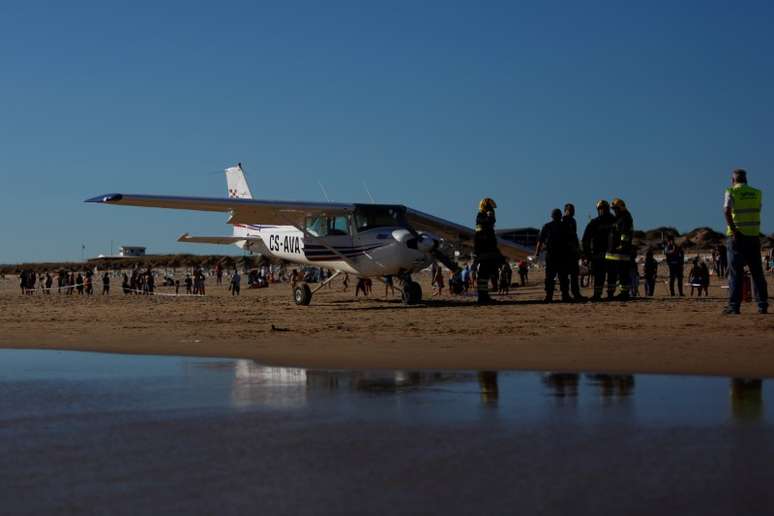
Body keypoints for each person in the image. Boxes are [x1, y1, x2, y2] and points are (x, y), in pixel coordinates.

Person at [723, 169, 768, 314]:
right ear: (746, 180)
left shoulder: (731, 191)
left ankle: (734, 306)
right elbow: (757, 210)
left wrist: (734, 230)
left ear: (733, 180)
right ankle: (762, 304)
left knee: (735, 273)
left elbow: (726, 211)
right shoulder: (757, 193)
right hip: (753, 236)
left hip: (737, 237)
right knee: (757, 273)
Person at [582, 200, 617, 301]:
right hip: (602, 254)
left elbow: (586, 239)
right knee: (602, 275)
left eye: (603, 208)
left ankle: (606, 294)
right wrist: (588, 254)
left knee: (609, 275)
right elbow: (586, 239)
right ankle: (601, 294)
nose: (602, 210)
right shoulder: (597, 222)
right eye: (601, 209)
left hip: (608, 254)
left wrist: (587, 254)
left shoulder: (598, 222)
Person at [473, 198, 503, 304]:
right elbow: (482, 230)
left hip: (488, 248)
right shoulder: (480, 216)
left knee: (486, 275)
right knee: (483, 274)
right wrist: (490, 217)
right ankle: (482, 297)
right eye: (490, 207)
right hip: (483, 249)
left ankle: (484, 296)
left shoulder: (485, 217)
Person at [536, 209, 570, 303]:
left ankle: (549, 296)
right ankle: (564, 295)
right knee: (562, 277)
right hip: (561, 255)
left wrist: (537, 254)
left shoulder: (547, 226)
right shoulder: (564, 226)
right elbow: (570, 241)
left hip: (553, 255)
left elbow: (540, 241)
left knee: (551, 277)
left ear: (552, 216)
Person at [604, 198, 634, 300]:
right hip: (613, 253)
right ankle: (610, 293)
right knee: (612, 275)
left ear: (621, 208)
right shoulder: (619, 218)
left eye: (616, 209)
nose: (614, 211)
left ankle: (624, 293)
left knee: (623, 275)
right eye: (613, 209)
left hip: (621, 253)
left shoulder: (625, 218)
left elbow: (625, 233)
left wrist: (622, 244)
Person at [562, 203, 586, 301]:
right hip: (565, 252)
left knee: (574, 274)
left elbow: (574, 235)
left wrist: (578, 249)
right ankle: (565, 295)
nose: (573, 212)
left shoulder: (573, 221)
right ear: (566, 210)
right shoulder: (562, 220)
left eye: (573, 210)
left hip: (573, 252)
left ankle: (576, 293)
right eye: (571, 210)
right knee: (564, 275)